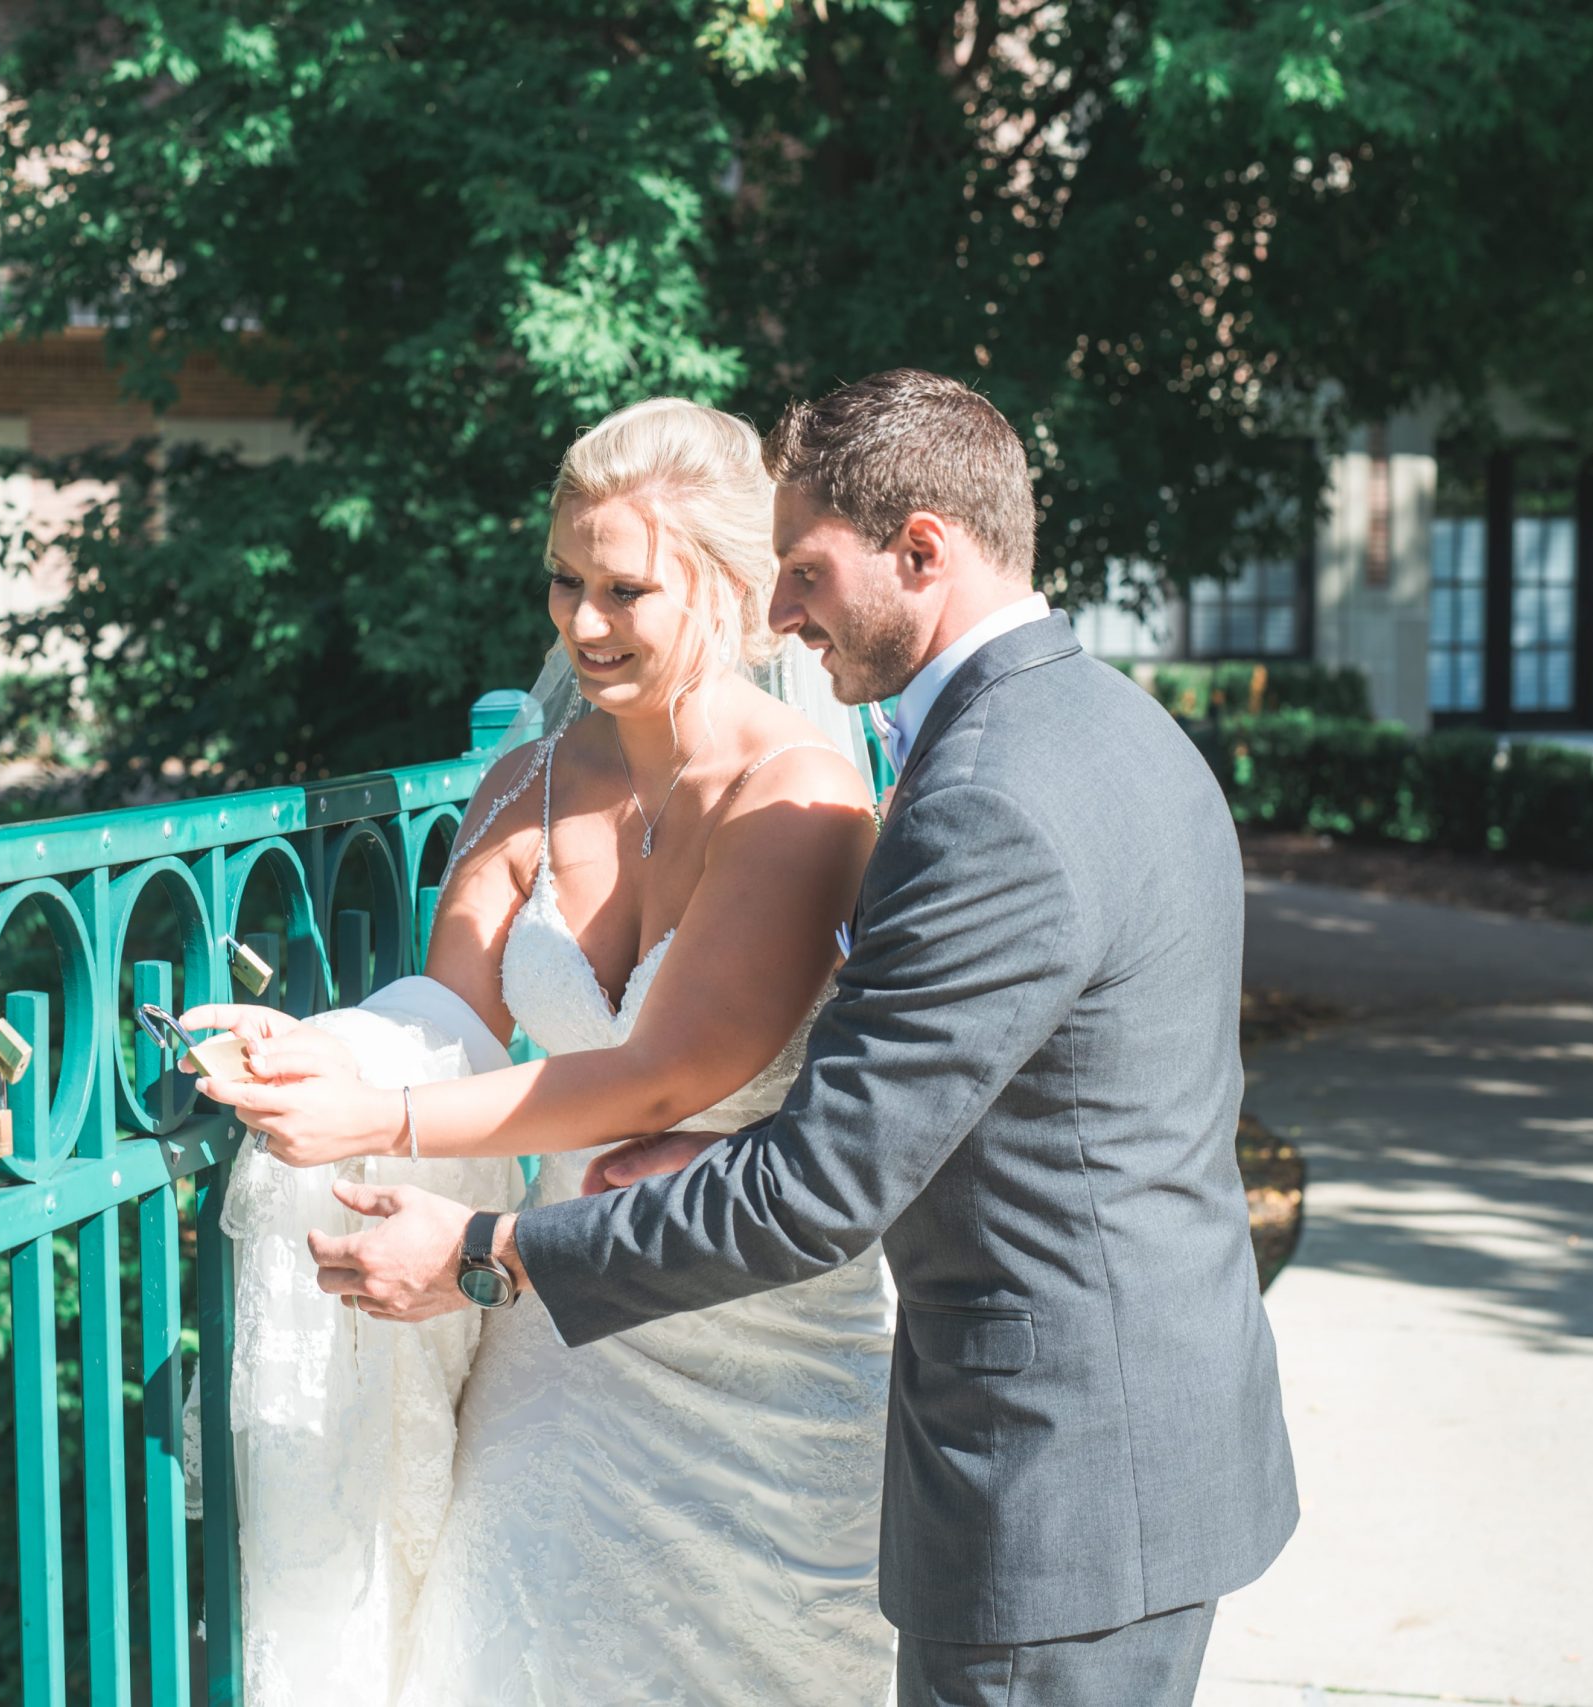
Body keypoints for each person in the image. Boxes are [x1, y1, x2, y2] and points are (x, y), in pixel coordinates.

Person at [302, 369, 1301, 1707]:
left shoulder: (987, 796)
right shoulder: (1119, 728)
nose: (781, 613)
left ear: (924, 549)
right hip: (1156, 1435)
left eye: (807, 572)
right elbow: (992, 1089)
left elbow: (823, 1189)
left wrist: (487, 1251)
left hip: (1049, 1484)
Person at [185, 396, 899, 1705]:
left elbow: (662, 1076)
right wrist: (322, 1051)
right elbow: (443, 1021)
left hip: (764, 1327)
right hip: (561, 1328)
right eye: (564, 582)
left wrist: (376, 1121)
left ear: (737, 593)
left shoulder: (798, 796)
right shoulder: (533, 780)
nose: (580, 624)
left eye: (626, 590)